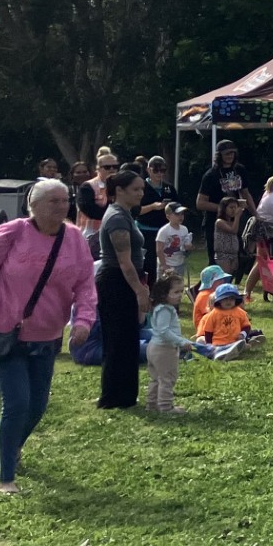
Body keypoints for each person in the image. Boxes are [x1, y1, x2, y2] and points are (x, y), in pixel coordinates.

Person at [0, 180, 95, 492]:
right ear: (32, 206)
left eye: (65, 200)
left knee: (37, 406)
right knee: (17, 404)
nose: (61, 206)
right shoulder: (12, 233)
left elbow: (86, 285)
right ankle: (6, 477)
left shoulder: (75, 239)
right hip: (7, 330)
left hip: (47, 334)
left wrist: (84, 322)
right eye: (53, 201)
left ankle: (11, 448)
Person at [94, 167, 152, 410]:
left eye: (142, 189)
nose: (141, 193)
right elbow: (124, 261)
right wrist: (140, 290)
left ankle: (124, 395)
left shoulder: (124, 214)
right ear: (119, 191)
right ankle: (113, 397)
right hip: (117, 281)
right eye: (135, 189)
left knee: (127, 339)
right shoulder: (117, 217)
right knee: (119, 340)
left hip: (124, 279)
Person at [143, 272, 194, 417]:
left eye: (181, 291)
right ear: (164, 293)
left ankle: (152, 404)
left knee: (156, 378)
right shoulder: (165, 309)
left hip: (154, 347)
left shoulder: (160, 308)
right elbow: (164, 331)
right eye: (176, 292)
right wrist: (182, 341)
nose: (180, 295)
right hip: (164, 349)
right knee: (167, 378)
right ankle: (166, 407)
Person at [194, 140, 250, 235]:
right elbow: (200, 203)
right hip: (215, 221)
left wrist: (255, 214)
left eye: (232, 153)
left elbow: (246, 194)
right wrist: (224, 208)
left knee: (240, 248)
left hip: (236, 220)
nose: (230, 156)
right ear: (219, 155)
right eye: (227, 154)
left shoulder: (240, 170)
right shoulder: (211, 175)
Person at [195, 282, 259, 355]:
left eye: (231, 299)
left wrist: (242, 334)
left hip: (235, 341)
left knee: (240, 345)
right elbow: (208, 331)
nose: (228, 301)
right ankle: (222, 353)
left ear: (236, 300)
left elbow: (246, 326)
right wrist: (209, 345)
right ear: (219, 300)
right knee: (217, 350)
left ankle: (241, 346)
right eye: (225, 299)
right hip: (218, 343)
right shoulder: (214, 314)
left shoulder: (240, 312)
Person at [211, 194, 251, 284]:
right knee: (224, 277)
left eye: (235, 207)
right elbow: (233, 230)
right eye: (231, 207)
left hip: (233, 253)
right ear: (224, 208)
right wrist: (237, 217)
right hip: (223, 255)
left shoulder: (233, 222)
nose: (233, 210)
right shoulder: (219, 222)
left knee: (230, 278)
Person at [153, 204, 192, 285]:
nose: (180, 216)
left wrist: (188, 247)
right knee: (164, 288)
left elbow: (185, 246)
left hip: (179, 263)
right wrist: (164, 266)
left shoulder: (184, 229)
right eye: (177, 214)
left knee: (177, 286)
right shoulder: (164, 231)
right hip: (167, 264)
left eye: (182, 214)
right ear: (168, 216)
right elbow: (159, 250)